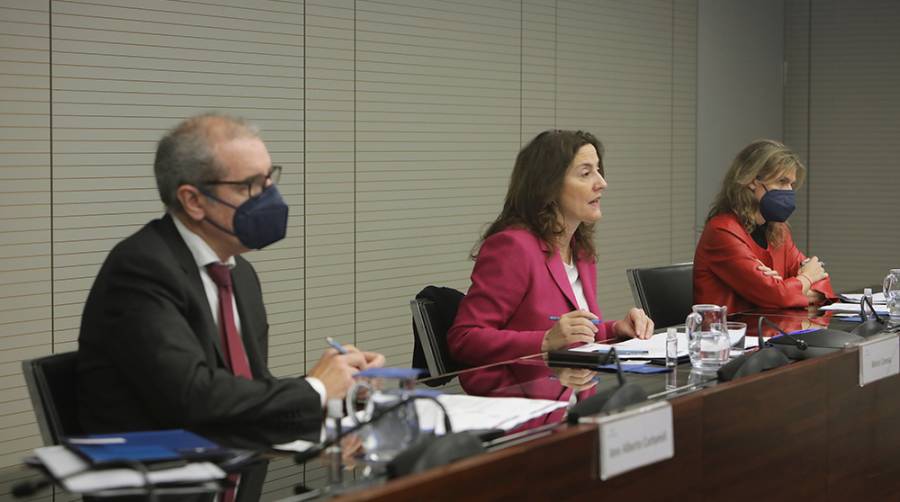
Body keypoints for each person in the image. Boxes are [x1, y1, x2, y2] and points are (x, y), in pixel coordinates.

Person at [77, 114, 384, 439]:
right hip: (158, 477)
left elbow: (244, 393)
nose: (270, 196)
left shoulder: (240, 274)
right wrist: (315, 388)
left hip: (233, 463)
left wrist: (341, 390)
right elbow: (193, 398)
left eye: (269, 179)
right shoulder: (141, 269)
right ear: (193, 200)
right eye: (250, 185)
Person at [447, 130, 654, 395]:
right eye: (586, 173)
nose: (602, 183)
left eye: (599, 171)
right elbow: (464, 339)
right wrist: (544, 341)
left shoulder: (581, 251)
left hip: (578, 405)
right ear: (549, 186)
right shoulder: (513, 247)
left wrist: (615, 328)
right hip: (526, 409)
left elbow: (571, 334)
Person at [694, 139, 835, 313]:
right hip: (728, 335)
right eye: (782, 181)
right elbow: (777, 295)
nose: (789, 191)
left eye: (791, 184)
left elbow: (822, 283)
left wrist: (787, 289)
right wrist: (805, 278)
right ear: (753, 180)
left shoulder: (778, 230)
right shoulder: (722, 231)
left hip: (771, 330)